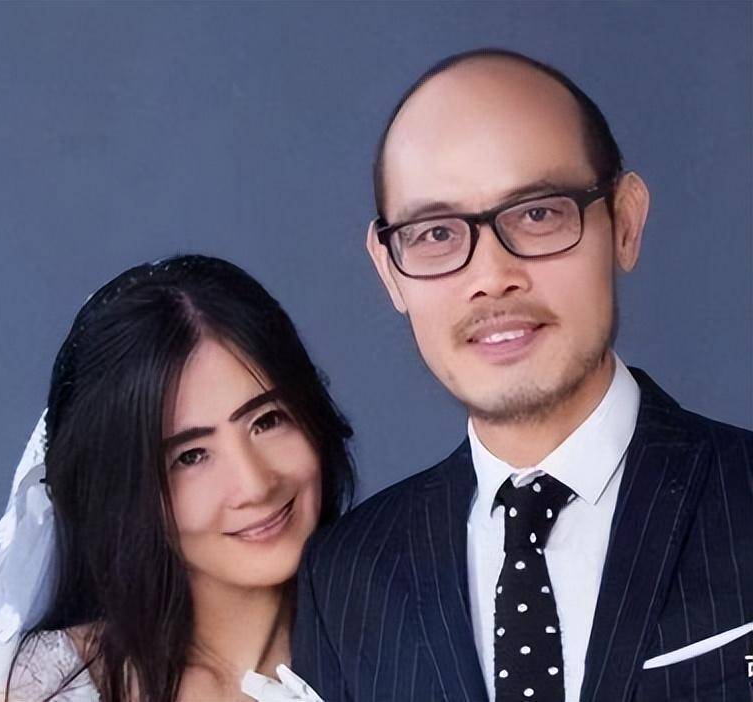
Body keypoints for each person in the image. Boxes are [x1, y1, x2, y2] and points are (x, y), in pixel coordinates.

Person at [291, 48, 753, 701]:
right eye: (436, 234)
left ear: (625, 221)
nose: (491, 277)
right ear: (389, 268)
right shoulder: (346, 579)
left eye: (537, 214)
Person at [0, 255, 354, 701]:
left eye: (267, 421)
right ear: (123, 493)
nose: (255, 484)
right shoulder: (47, 688)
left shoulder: (397, 640)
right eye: (191, 456)